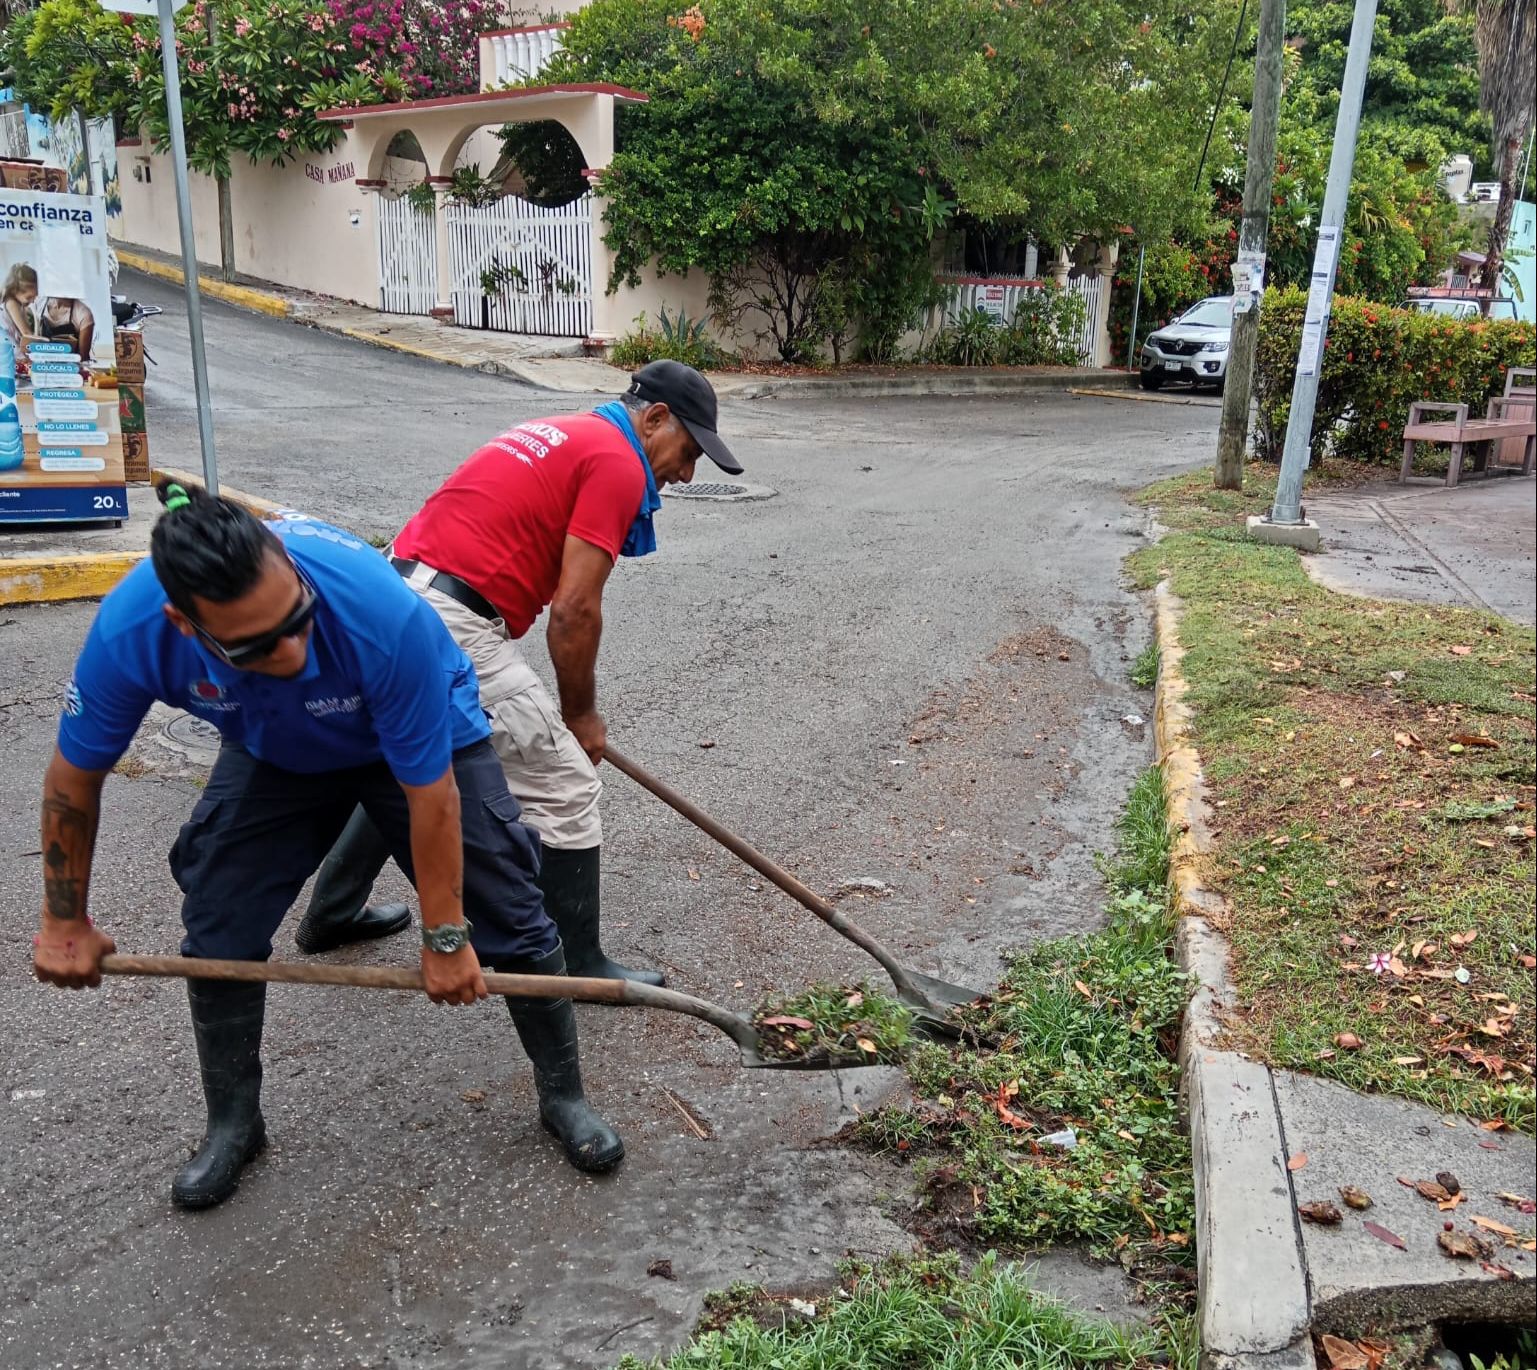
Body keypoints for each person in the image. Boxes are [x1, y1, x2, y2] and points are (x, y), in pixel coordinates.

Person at [32, 481, 624, 1210]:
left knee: (504, 899)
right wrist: (64, 920)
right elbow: (72, 780)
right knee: (218, 920)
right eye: (255, 644)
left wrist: (444, 935)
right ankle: (234, 1123)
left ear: (287, 563)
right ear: (184, 624)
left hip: (411, 737)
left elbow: (428, 793)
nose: (294, 650)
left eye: (297, 619)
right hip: (274, 746)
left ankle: (563, 1097)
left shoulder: (379, 615)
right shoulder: (132, 636)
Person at [295, 360, 743, 988]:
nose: (686, 473)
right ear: (656, 419)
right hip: (447, 621)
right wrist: (580, 715)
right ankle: (579, 965)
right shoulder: (616, 460)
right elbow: (575, 610)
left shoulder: (562, 430)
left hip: (386, 596)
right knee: (566, 786)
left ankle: (334, 910)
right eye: (688, 450)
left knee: (419, 751)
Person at [3, 263, 39, 349]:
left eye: (35, 296)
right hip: (10, 352)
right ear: (14, 290)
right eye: (29, 297)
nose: (33, 301)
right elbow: (26, 332)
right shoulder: (11, 303)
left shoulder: (20, 305)